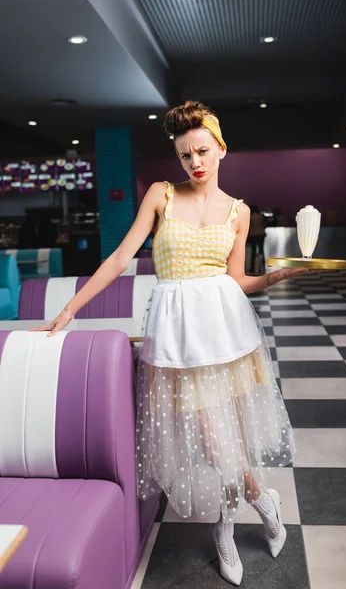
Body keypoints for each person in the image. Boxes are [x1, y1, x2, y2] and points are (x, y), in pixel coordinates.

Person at [31, 101, 309, 586]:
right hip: (179, 335)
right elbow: (120, 257)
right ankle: (262, 500)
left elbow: (237, 280)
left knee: (231, 434)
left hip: (227, 329)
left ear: (221, 148)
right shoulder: (161, 196)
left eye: (202, 151)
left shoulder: (239, 212)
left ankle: (226, 525)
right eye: (184, 155)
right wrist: (68, 311)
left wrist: (277, 276)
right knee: (209, 434)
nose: (194, 163)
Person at [248, 204, 266, 273]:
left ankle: (253, 268)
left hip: (252, 235)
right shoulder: (260, 216)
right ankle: (262, 267)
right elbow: (264, 225)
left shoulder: (250, 217)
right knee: (261, 250)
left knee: (253, 251)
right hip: (261, 234)